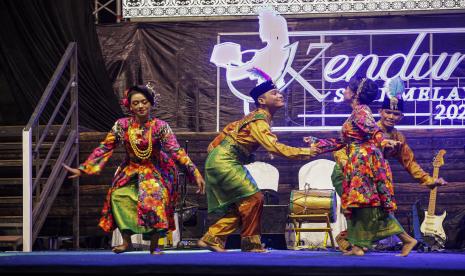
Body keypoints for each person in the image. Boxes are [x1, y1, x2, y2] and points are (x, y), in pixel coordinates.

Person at [63, 84, 205, 254]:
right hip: (131, 169)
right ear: (130, 106)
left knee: (154, 198)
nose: (140, 106)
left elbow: (175, 150)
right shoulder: (122, 126)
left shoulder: (160, 126)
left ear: (150, 103)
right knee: (117, 196)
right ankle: (126, 242)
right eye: (136, 103)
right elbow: (105, 147)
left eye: (144, 102)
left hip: (156, 169)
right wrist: (84, 169)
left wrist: (194, 171)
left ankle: (154, 245)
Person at [198, 70, 321, 253]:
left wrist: (224, 154)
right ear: (262, 101)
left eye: (279, 92)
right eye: (274, 93)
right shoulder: (259, 121)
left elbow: (223, 135)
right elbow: (274, 147)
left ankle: (213, 238)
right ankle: (250, 244)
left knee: (245, 204)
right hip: (225, 162)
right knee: (255, 199)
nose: (280, 95)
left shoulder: (252, 118)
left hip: (220, 161)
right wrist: (306, 152)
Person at [305, 76, 418, 257]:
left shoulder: (361, 112)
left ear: (355, 93)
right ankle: (364, 245)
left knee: (364, 204)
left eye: (347, 88)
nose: (344, 91)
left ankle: (364, 245)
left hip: (364, 162)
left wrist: (384, 141)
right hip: (358, 161)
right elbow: (341, 142)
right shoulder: (358, 112)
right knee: (361, 204)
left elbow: (374, 131)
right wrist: (318, 143)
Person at [331, 77, 446, 253]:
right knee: (359, 209)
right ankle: (355, 243)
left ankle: (355, 244)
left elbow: (410, 163)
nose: (391, 117)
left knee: (374, 211)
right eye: (388, 112)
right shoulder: (367, 125)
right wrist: (349, 166)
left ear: (402, 116)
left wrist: (429, 180)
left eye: (396, 114)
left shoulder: (398, 138)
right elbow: (343, 147)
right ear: (380, 112)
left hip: (373, 178)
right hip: (349, 172)